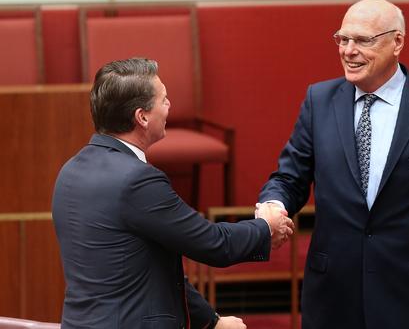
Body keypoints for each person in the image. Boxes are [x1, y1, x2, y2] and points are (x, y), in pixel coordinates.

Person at [258, 0, 409, 329]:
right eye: (343, 38)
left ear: (397, 42)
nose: (348, 50)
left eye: (363, 40)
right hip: (333, 299)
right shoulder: (319, 101)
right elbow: (290, 176)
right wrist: (273, 203)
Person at [52, 58, 294, 329]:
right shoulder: (138, 180)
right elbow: (213, 243)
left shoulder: (70, 171)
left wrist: (211, 322)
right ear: (142, 117)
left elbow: (154, 267)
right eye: (164, 100)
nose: (169, 106)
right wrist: (265, 227)